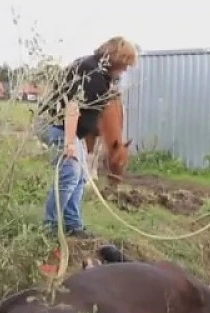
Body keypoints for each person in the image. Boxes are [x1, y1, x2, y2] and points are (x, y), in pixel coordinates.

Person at [38, 37, 138, 238]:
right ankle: (49, 227)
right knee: (70, 174)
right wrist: (69, 144)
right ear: (115, 58)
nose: (126, 69)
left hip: (74, 131)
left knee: (82, 177)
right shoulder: (91, 72)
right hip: (58, 125)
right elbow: (73, 107)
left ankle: (74, 225)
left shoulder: (101, 74)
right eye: (125, 64)